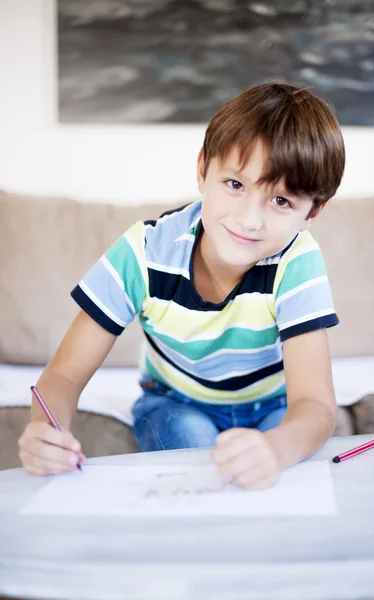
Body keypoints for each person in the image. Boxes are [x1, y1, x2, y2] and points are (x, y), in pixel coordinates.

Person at [19, 82, 345, 490]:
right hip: (174, 402)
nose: (249, 220)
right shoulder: (143, 252)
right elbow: (64, 374)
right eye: (235, 184)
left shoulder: (297, 262)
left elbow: (314, 405)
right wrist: (46, 430)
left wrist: (276, 449)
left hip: (272, 406)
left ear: (313, 212)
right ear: (203, 170)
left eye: (281, 201)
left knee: (287, 470)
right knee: (195, 456)